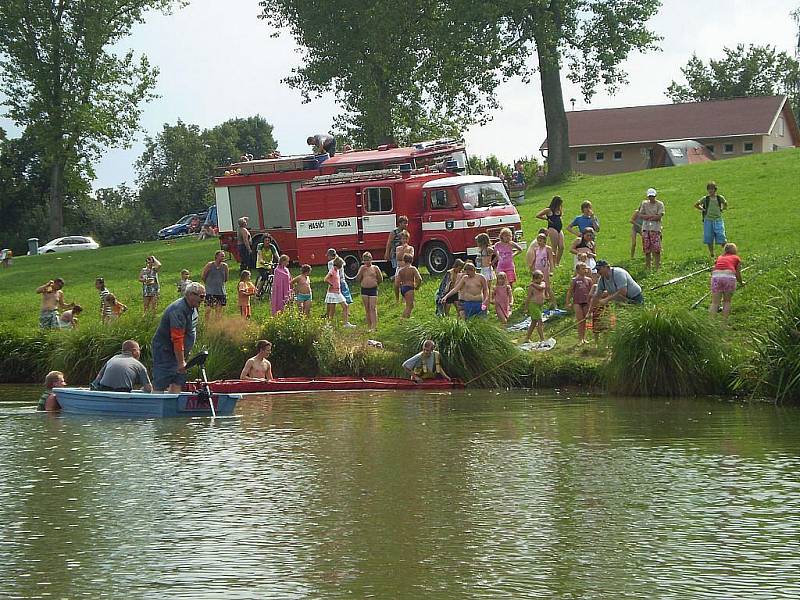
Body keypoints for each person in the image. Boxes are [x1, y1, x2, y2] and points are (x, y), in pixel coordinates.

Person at [151, 282, 204, 393]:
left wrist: (185, 355)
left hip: (179, 353)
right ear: (191, 295)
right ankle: (157, 403)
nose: (203, 299)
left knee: (179, 379)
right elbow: (177, 338)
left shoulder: (193, 308)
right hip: (165, 350)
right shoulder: (178, 310)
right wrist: (181, 362)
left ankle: (174, 405)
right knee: (162, 379)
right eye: (201, 296)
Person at [710, 242, 744, 319]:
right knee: (727, 302)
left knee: (715, 302)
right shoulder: (736, 258)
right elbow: (738, 274)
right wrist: (741, 283)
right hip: (729, 277)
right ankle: (724, 323)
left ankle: (710, 323)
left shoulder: (720, 257)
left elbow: (714, 267)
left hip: (716, 277)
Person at [694, 181, 728, 258]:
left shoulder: (719, 198)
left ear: (715, 189)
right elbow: (696, 204)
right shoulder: (705, 199)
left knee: (721, 236)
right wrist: (703, 209)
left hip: (718, 219)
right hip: (708, 220)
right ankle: (712, 254)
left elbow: (725, 203)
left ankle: (726, 252)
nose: (710, 191)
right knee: (709, 237)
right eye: (709, 189)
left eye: (712, 189)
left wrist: (723, 208)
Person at [565, 263, 594, 345]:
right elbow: (570, 291)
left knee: (585, 320)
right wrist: (567, 302)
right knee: (580, 320)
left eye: (586, 268)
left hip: (586, 302)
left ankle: (584, 338)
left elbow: (592, 292)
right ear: (577, 270)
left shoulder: (589, 280)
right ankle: (580, 338)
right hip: (577, 302)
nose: (585, 270)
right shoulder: (574, 280)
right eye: (582, 268)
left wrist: (592, 303)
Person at [528, 231, 557, 308]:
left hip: (544, 269)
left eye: (541, 240)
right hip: (537, 270)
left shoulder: (548, 249)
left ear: (545, 241)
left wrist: (551, 270)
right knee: (535, 286)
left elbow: (550, 260)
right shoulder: (536, 249)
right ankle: (534, 304)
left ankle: (554, 304)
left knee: (547, 286)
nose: (539, 242)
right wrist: (531, 266)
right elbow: (535, 258)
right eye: (538, 240)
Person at [327, 249, 355, 326]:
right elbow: (344, 264)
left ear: (330, 256)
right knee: (344, 300)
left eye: (328, 256)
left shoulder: (331, 263)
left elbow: (328, 277)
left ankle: (330, 322)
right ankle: (343, 319)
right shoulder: (339, 261)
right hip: (340, 282)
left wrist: (331, 284)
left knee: (333, 304)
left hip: (337, 283)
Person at [356, 251, 383, 331]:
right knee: (367, 308)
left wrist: (375, 283)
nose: (367, 262)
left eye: (368, 260)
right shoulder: (362, 268)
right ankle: (369, 326)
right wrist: (361, 271)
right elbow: (357, 279)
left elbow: (380, 278)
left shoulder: (375, 268)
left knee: (372, 307)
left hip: (373, 289)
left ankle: (374, 326)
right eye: (365, 260)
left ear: (371, 259)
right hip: (364, 290)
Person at [638, 188, 665, 270]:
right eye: (649, 196)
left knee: (656, 249)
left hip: (655, 229)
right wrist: (653, 216)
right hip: (646, 228)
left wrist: (648, 217)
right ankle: (648, 267)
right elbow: (641, 215)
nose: (651, 198)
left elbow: (659, 216)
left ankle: (657, 267)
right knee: (647, 249)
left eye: (652, 196)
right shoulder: (644, 204)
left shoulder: (660, 204)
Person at [536, 195, 565, 265]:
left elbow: (559, 217)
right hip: (552, 228)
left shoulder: (559, 210)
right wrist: (546, 219)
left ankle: (557, 262)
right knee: (554, 246)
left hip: (559, 229)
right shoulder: (548, 210)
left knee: (561, 246)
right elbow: (538, 215)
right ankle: (553, 263)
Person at [201, 250, 229, 320]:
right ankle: (207, 324)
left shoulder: (225, 266)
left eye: (224, 256)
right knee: (208, 310)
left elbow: (226, 278)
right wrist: (209, 284)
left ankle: (217, 325)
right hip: (210, 291)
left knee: (219, 311)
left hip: (220, 291)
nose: (223, 258)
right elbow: (203, 276)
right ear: (216, 256)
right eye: (221, 256)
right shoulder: (210, 265)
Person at [394, 253, 422, 319]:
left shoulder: (400, 270)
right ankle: (403, 320)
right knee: (409, 306)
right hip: (409, 288)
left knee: (410, 305)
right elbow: (419, 278)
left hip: (403, 288)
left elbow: (397, 283)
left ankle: (406, 319)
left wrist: (398, 293)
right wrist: (417, 286)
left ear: (404, 260)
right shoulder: (413, 269)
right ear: (412, 260)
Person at [523, 271, 547, 344]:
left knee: (533, 322)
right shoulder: (531, 287)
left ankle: (527, 338)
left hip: (540, 306)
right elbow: (528, 297)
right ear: (533, 279)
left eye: (540, 278)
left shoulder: (542, 284)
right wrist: (526, 307)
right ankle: (542, 339)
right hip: (533, 305)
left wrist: (533, 284)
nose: (539, 280)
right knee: (540, 321)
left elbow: (541, 287)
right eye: (537, 279)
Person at [325, 256, 349, 324]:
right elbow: (326, 279)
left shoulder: (337, 271)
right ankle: (329, 324)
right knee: (332, 310)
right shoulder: (332, 270)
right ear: (338, 265)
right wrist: (331, 284)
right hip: (333, 293)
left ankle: (345, 323)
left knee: (345, 306)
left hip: (337, 292)